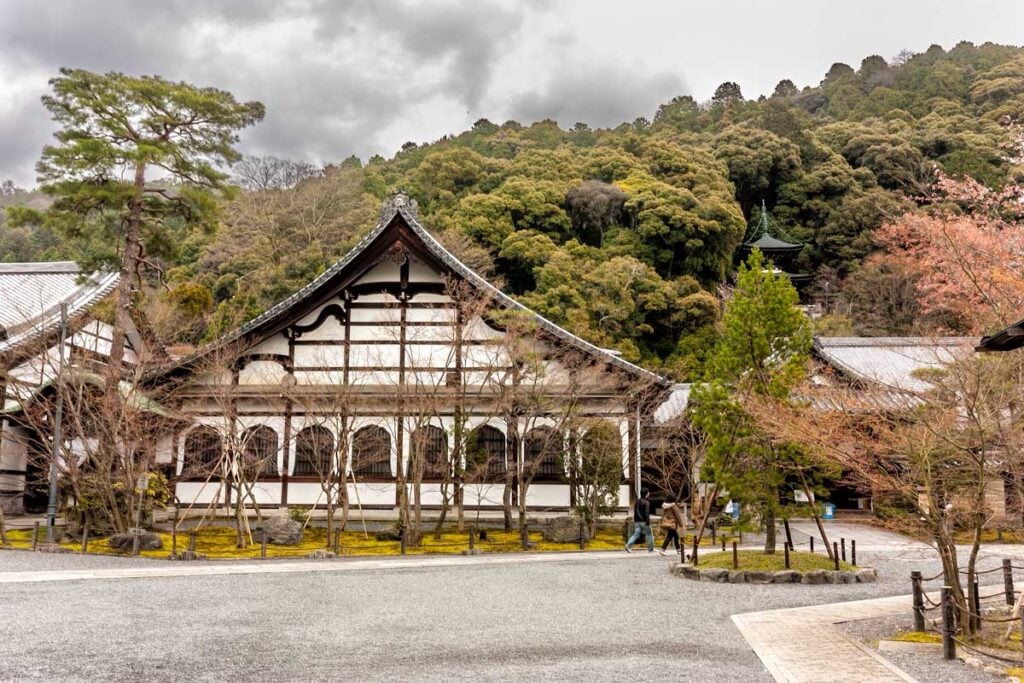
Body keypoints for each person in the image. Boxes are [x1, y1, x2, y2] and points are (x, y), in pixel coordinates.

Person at [625, 488, 654, 553]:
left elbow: (636, 511)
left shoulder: (637, 501)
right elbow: (646, 513)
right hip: (644, 521)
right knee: (649, 535)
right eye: (648, 492)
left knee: (636, 534)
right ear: (646, 494)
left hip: (637, 521)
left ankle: (628, 545)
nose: (649, 493)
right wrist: (647, 522)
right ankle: (650, 549)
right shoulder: (647, 503)